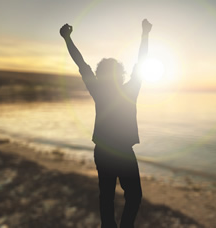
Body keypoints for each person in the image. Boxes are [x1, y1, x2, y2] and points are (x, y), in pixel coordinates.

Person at [60, 19, 152, 228]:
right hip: (121, 152)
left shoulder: (99, 90)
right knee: (132, 196)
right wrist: (145, 34)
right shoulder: (130, 89)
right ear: (120, 75)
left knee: (107, 197)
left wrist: (67, 38)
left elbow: (82, 64)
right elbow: (141, 61)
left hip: (104, 151)